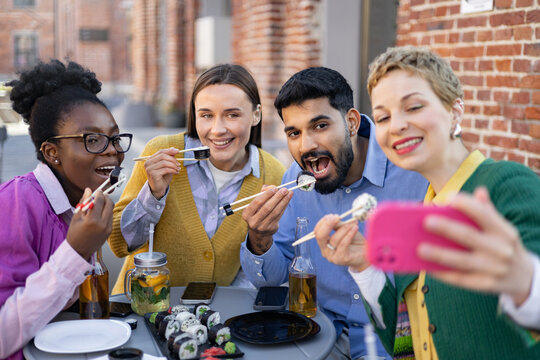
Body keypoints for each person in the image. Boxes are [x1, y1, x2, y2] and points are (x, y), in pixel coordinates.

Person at [314, 46, 540, 359]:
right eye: (382, 117)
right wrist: (364, 264)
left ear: (455, 111)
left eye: (414, 107)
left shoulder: (506, 185)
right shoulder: (421, 211)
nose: (396, 126)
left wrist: (526, 283)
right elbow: (402, 338)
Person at [239, 67, 429, 359]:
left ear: (351, 122)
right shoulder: (296, 178)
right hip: (318, 338)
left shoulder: (416, 172)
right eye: (294, 132)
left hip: (393, 344)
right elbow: (271, 280)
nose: (306, 146)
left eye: (320, 126)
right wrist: (260, 238)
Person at [108, 64, 285, 293]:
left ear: (256, 115)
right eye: (206, 115)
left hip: (214, 318)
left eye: (232, 114)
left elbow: (262, 276)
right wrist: (153, 194)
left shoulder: (274, 174)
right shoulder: (159, 153)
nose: (217, 129)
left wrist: (260, 241)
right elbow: (121, 244)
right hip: (143, 307)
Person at [0, 60, 131, 359]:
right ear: (52, 153)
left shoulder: (86, 202)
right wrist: (74, 252)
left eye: (114, 137)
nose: (112, 149)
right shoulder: (16, 203)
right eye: (93, 139)